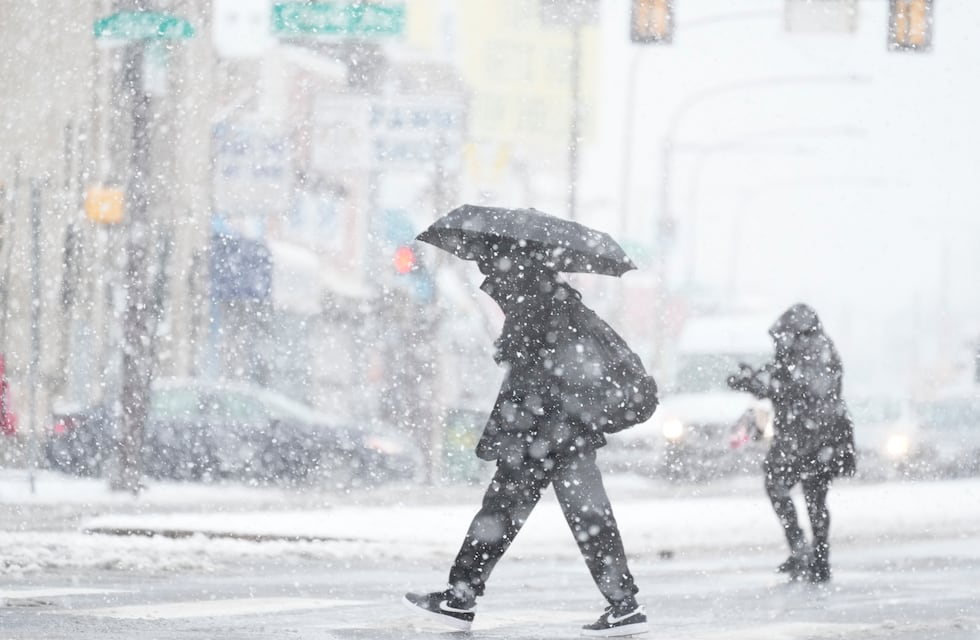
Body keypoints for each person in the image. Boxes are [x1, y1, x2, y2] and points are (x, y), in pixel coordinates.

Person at [403, 246, 655, 637]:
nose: (493, 281)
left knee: (502, 514)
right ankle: (623, 605)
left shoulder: (539, 305)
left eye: (495, 272)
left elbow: (535, 367)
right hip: (562, 433)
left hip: (542, 434)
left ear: (518, 270)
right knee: (585, 517)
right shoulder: (559, 304)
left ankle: (460, 598)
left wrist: (510, 346)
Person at [727, 303, 856, 583]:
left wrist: (761, 384)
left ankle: (809, 552)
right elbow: (780, 379)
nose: (779, 342)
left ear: (795, 332)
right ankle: (812, 553)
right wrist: (752, 379)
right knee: (811, 495)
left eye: (782, 336)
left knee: (796, 489)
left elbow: (802, 388)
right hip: (813, 436)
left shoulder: (816, 350)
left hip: (811, 436)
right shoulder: (805, 350)